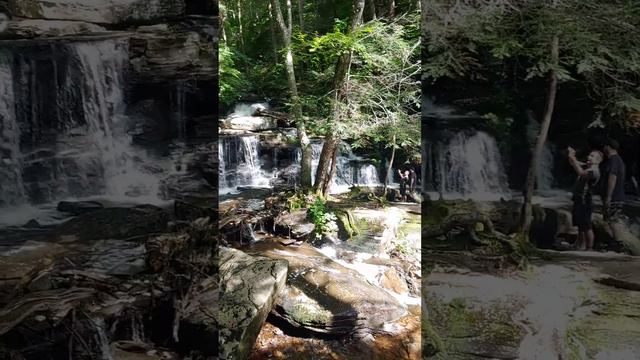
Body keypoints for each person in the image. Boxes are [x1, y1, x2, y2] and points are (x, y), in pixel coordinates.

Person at [567, 147, 602, 251]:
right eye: (589, 155)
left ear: (598, 161)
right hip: (579, 199)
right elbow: (574, 164)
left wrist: (573, 159)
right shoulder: (588, 166)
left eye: (592, 156)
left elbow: (581, 173)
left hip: (585, 200)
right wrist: (571, 156)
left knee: (587, 225)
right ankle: (579, 245)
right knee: (580, 224)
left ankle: (589, 248)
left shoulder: (594, 171)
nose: (589, 157)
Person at [602, 138, 626, 221]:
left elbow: (612, 177)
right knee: (609, 223)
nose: (603, 148)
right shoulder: (618, 159)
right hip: (616, 197)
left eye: (604, 146)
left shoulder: (614, 160)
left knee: (612, 223)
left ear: (608, 147)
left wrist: (609, 197)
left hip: (614, 198)